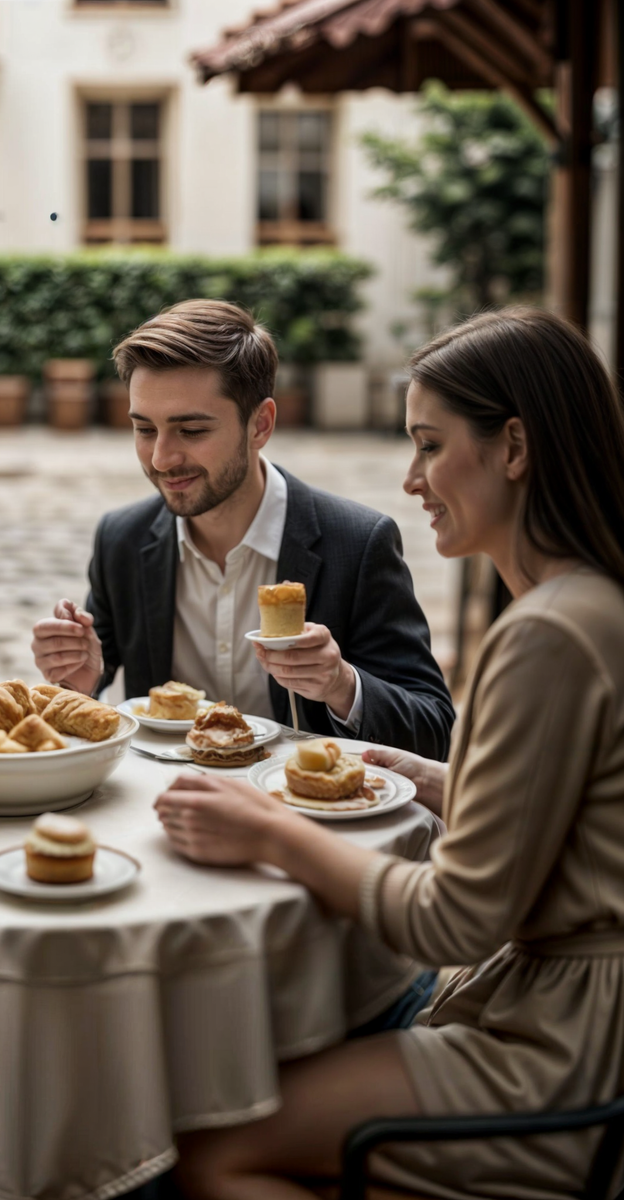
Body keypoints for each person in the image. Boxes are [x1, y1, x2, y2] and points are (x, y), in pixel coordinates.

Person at [155, 307, 624, 1200]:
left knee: (209, 1148)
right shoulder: (590, 602)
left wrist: (270, 832)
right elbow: (570, 819)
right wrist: (432, 780)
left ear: (513, 447)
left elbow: (453, 923)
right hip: (577, 1015)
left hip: (561, 1051)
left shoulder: (548, 634)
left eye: (428, 445)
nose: (410, 479)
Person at [31, 300, 454, 758]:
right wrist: (82, 681)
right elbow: (88, 700)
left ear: (261, 424)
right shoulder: (122, 539)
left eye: (190, 430)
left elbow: (433, 730)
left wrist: (342, 685)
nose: (161, 459)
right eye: (145, 429)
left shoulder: (357, 543)